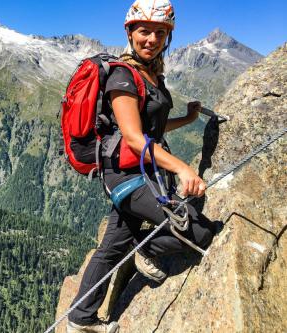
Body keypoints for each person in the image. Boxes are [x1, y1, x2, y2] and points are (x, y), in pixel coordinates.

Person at [66, 0, 218, 332]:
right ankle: (144, 248)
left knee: (112, 246)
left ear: (168, 37)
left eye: (159, 33)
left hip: (141, 172)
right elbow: (134, 138)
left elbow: (151, 129)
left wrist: (188, 119)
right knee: (200, 232)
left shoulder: (151, 74)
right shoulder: (123, 75)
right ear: (130, 32)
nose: (151, 39)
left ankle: (80, 320)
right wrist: (182, 167)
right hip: (128, 176)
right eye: (144, 31)